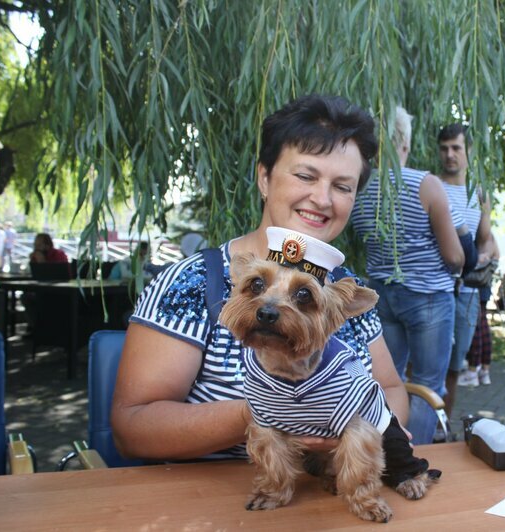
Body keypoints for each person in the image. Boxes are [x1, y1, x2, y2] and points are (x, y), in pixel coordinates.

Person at [111, 94, 409, 462]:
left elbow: (391, 387)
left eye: (343, 187)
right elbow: (133, 428)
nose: (322, 198)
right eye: (305, 175)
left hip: (336, 498)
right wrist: (270, 410)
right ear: (264, 178)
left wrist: (372, 430)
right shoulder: (192, 283)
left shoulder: (345, 291)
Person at [351, 106, 465, 444]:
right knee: (429, 384)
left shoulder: (359, 187)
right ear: (405, 141)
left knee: (388, 380)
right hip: (429, 297)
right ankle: (419, 455)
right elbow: (455, 255)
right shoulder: (425, 184)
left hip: (382, 296)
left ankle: (388, 451)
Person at [437, 123, 497, 416]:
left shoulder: (479, 193)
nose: (450, 154)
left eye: (456, 148)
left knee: (455, 364)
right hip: (435, 288)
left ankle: (442, 427)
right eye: (444, 148)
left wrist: (484, 256)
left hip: (468, 291)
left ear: (468, 150)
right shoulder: (430, 186)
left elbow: (485, 240)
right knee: (424, 363)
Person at [458, 280, 495, 387]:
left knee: (475, 328)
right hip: (483, 285)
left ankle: (472, 371)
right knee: (482, 327)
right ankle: (484, 371)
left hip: (472, 287)